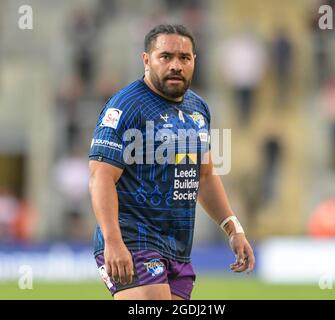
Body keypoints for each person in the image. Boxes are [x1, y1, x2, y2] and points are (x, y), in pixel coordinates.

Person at [88, 24, 255, 300]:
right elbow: (101, 177)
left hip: (177, 247)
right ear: (146, 60)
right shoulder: (126, 107)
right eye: (165, 57)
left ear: (194, 62)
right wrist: (113, 241)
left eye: (184, 58)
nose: (176, 65)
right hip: (133, 240)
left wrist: (233, 228)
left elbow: (204, 176)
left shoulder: (198, 110)